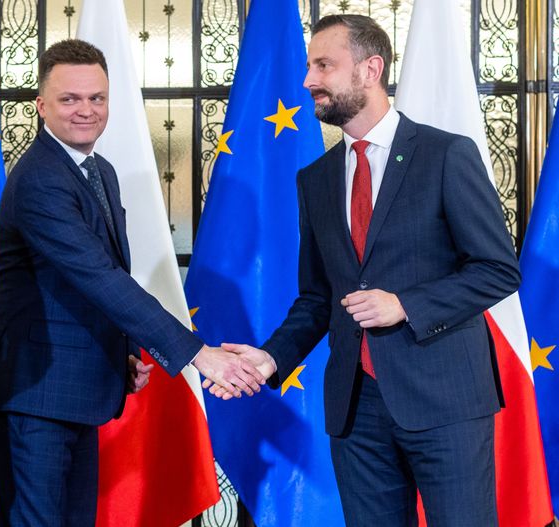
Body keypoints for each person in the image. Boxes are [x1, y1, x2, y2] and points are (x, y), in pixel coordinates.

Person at [213, 14, 521, 525]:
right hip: (357, 411)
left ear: (369, 69)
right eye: (310, 66)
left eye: (323, 65)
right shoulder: (316, 178)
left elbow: (496, 269)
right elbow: (318, 298)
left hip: (445, 404)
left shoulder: (445, 155)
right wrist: (269, 360)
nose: (309, 79)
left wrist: (405, 305)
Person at [0, 39, 271, 527]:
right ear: (41, 105)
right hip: (35, 394)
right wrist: (198, 355)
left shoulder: (100, 171)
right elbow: (97, 275)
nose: (86, 110)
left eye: (97, 98)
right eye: (70, 99)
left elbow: (100, 280)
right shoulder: (39, 179)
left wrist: (126, 353)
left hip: (74, 391)